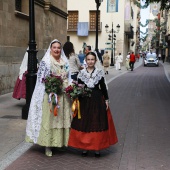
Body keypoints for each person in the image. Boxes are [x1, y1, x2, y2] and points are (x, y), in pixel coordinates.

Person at [25, 39, 72, 157]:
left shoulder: (64, 61)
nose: (56, 50)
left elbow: (68, 77)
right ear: (50, 49)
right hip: (51, 96)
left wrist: (69, 87)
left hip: (63, 95)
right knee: (50, 119)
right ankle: (48, 146)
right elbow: (41, 79)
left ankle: (60, 143)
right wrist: (52, 85)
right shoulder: (46, 62)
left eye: (58, 48)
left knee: (61, 119)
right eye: (54, 47)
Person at [68, 52, 118, 158]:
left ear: (95, 61)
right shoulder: (81, 73)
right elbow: (79, 86)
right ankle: (85, 148)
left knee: (96, 122)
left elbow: (103, 87)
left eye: (92, 59)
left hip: (97, 100)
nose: (90, 61)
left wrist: (106, 100)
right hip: (84, 100)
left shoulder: (99, 72)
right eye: (88, 59)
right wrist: (76, 96)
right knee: (85, 123)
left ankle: (97, 148)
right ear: (85, 61)